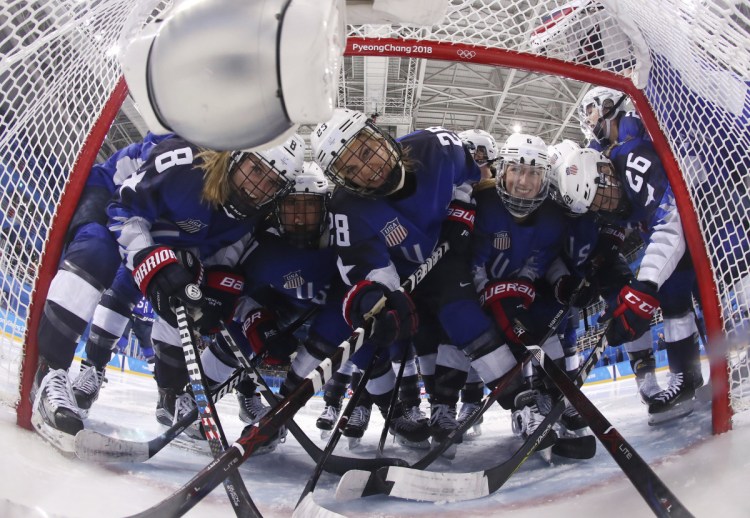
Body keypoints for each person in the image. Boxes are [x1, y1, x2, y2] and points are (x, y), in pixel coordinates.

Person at [311, 109, 493, 449]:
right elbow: (367, 268)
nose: (367, 171)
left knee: (449, 326)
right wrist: (388, 296)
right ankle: (398, 411)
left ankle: (450, 405)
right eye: (351, 170)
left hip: (443, 262)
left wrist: (460, 210)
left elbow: (468, 175)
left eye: (366, 153)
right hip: (401, 271)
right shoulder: (346, 207)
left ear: (379, 135)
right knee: (382, 329)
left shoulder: (432, 145)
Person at [102, 133, 304, 438]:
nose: (260, 186)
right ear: (237, 155)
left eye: (273, 183)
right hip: (151, 238)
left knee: (202, 304)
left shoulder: (260, 211)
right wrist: (153, 258)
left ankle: (181, 395)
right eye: (257, 169)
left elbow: (234, 252)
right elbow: (126, 205)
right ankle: (157, 387)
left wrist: (223, 291)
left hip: (201, 258)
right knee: (170, 288)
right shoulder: (190, 165)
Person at [29, 132, 169, 452]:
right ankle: (51, 370)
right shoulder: (187, 138)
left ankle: (94, 369)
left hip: (150, 218)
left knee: (138, 281)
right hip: (111, 190)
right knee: (97, 249)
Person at [558, 136, 704, 424]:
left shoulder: (632, 161)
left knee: (708, 288)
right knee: (674, 297)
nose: (602, 205)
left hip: (713, 211)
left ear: (604, 170)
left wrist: (644, 286)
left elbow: (670, 221)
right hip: (691, 231)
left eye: (599, 195)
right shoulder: (611, 190)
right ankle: (686, 377)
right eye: (594, 204)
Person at [470, 133, 569, 451]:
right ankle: (521, 407)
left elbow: (537, 260)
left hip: (519, 292)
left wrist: (520, 291)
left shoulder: (552, 216)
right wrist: (495, 296)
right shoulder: (482, 203)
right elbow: (474, 266)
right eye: (516, 170)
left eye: (534, 173)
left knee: (544, 327)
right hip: (477, 294)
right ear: (503, 170)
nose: (524, 181)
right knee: (476, 335)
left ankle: (554, 399)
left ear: (545, 178)